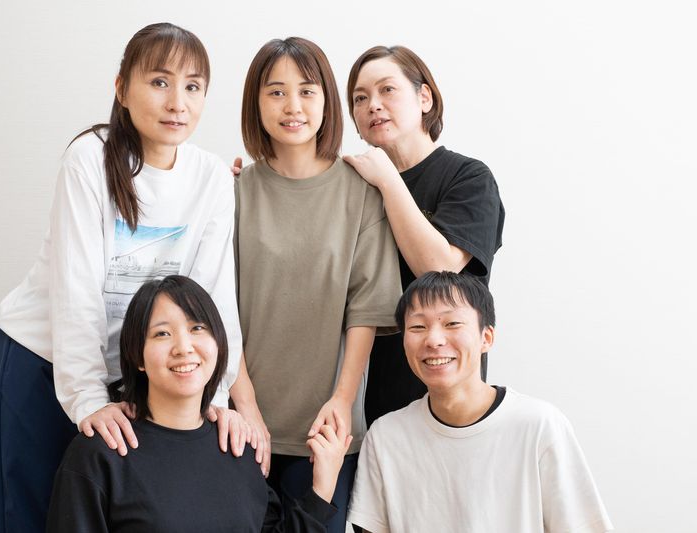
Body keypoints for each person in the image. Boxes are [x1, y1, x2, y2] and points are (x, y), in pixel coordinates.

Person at [0, 23, 248, 532]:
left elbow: (213, 300)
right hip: (41, 362)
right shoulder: (90, 158)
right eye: (160, 82)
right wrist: (87, 399)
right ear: (122, 88)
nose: (177, 102)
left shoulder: (212, 177)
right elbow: (77, 291)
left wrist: (212, 399)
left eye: (193, 86)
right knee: (30, 519)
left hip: (133, 377)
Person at [229, 37, 402, 532]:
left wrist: (342, 401)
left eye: (307, 91)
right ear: (255, 103)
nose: (293, 106)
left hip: (327, 432)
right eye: (276, 92)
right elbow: (217, 312)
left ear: (327, 100)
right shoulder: (234, 192)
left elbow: (365, 312)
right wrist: (246, 407)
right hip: (241, 424)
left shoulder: (361, 192)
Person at [47, 276, 351, 532]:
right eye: (162, 333)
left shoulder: (238, 447)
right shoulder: (100, 453)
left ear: (218, 344)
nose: (184, 347)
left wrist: (323, 487)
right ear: (137, 355)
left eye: (197, 328)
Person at [347, 271, 613, 533]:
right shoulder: (386, 436)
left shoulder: (538, 425)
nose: (434, 340)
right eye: (418, 327)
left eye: (452, 323)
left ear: (486, 338)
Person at [343, 45, 506, 426]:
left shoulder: (468, 178)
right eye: (360, 98)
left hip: (450, 397)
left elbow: (439, 269)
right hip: (369, 402)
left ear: (424, 98)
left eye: (387, 90)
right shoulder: (352, 186)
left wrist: (388, 180)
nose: (373, 105)